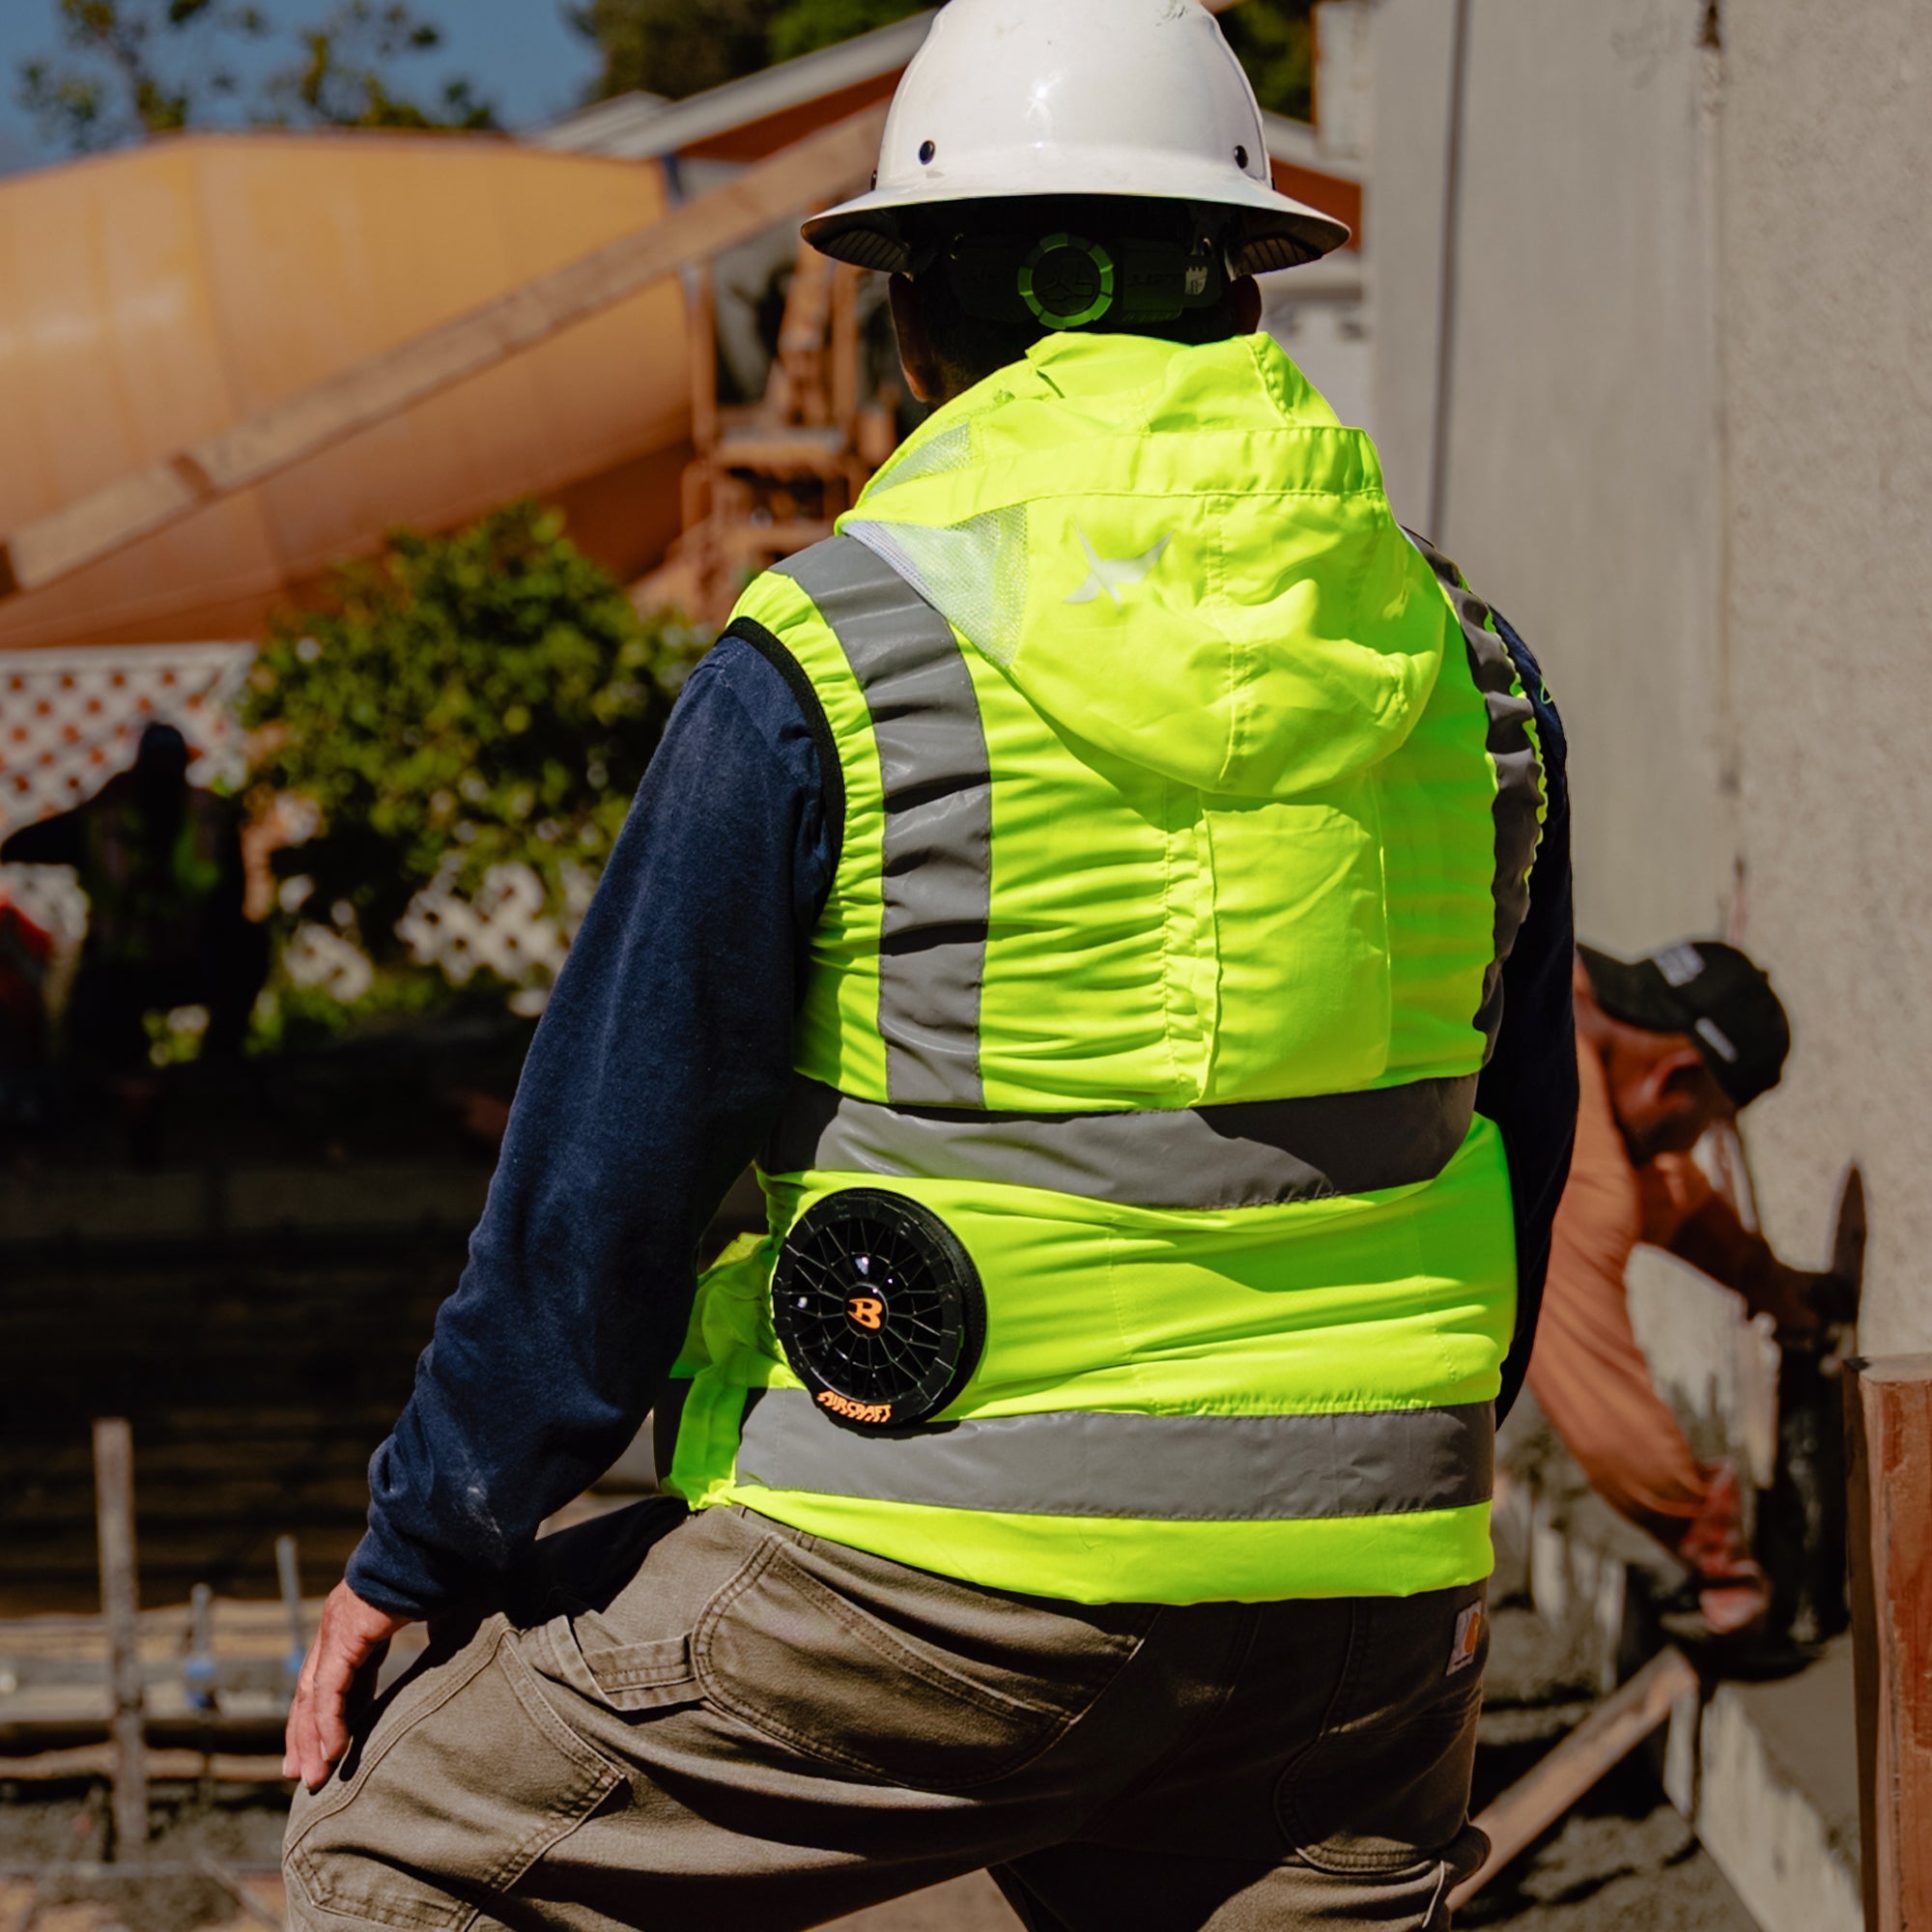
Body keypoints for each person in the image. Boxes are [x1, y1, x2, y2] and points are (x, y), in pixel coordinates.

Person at [281, 5, 1577, 1926]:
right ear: (1245, 297)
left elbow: (602, 1192)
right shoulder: (1463, 667)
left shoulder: (830, 659)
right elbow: (1513, 1139)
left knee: (394, 1856)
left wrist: (422, 1547)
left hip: (929, 1574)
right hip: (1364, 1607)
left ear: (918, 321)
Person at [1522, 940, 1846, 1635]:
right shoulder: (1570, 1141)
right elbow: (1595, 1392)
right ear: (1676, 1077)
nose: (1690, 1146)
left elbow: (1667, 1196)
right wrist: (1706, 1537)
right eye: (1709, 1123)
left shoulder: (1559, 983)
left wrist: (1764, 1279)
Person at [0, 721, 265, 1067]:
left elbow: (235, 897)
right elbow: (22, 844)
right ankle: (120, 1082)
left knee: (249, 946)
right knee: (90, 1012)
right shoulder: (103, 821)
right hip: (121, 966)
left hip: (191, 957)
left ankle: (218, 1063)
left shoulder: (209, 819)